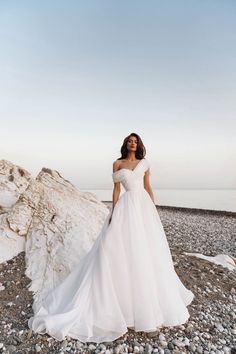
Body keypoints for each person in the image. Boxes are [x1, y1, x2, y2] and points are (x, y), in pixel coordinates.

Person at [28, 132, 195, 344]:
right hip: (126, 208)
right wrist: (114, 212)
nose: (132, 143)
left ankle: (149, 306)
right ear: (125, 144)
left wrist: (153, 210)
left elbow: (148, 187)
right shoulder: (117, 164)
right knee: (115, 248)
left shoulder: (145, 163)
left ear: (139, 145)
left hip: (142, 207)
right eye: (129, 141)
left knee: (147, 251)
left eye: (135, 141)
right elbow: (116, 191)